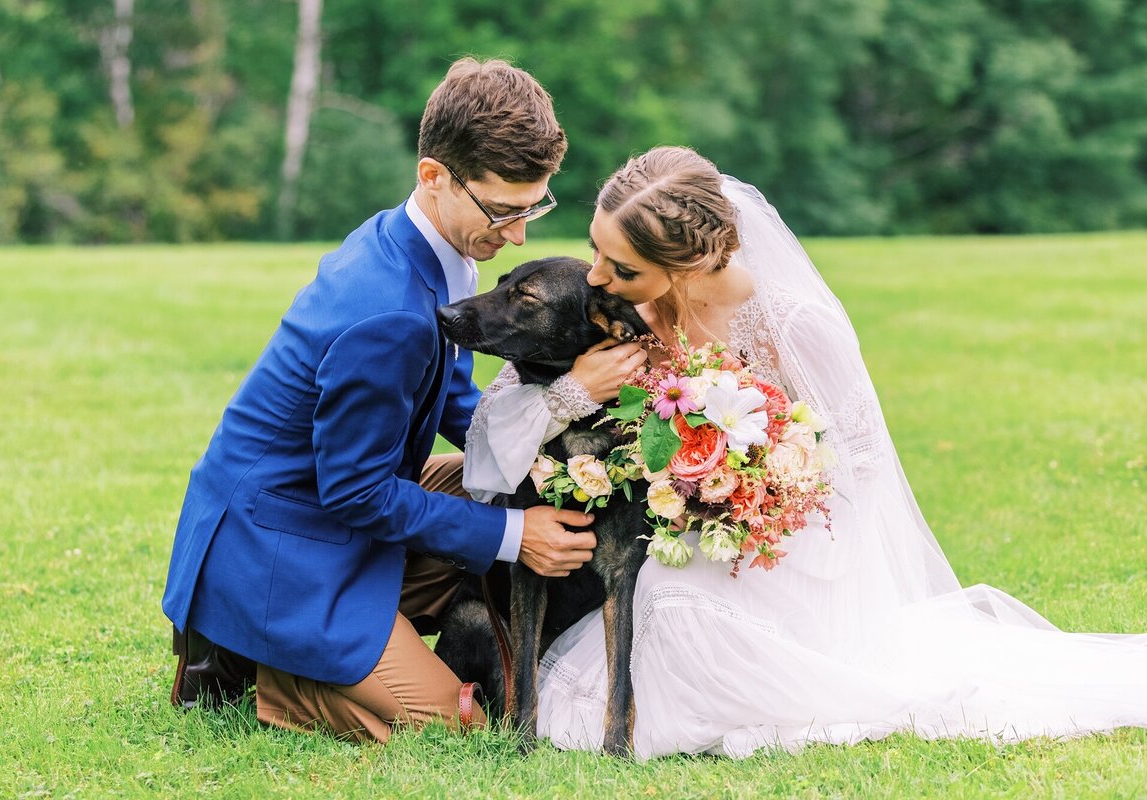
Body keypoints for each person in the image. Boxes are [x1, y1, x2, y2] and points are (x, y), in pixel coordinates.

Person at [465, 145, 1147, 758]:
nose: (597, 277)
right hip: (679, 536)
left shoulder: (794, 325)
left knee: (672, 596)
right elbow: (494, 430)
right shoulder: (620, 314)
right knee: (659, 586)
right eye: (595, 250)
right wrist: (576, 391)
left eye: (622, 266)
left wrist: (748, 497)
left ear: (687, 267)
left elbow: (862, 474)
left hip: (797, 548)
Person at [161, 57, 600, 744]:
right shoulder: (385, 312)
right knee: (460, 726)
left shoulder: (432, 245)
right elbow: (356, 494)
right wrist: (516, 536)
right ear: (434, 176)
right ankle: (259, 662)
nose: (518, 235)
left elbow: (460, 407)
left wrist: (571, 418)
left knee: (512, 483)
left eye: (533, 206)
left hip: (333, 513)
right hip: (279, 547)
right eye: (504, 211)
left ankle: (366, 624)